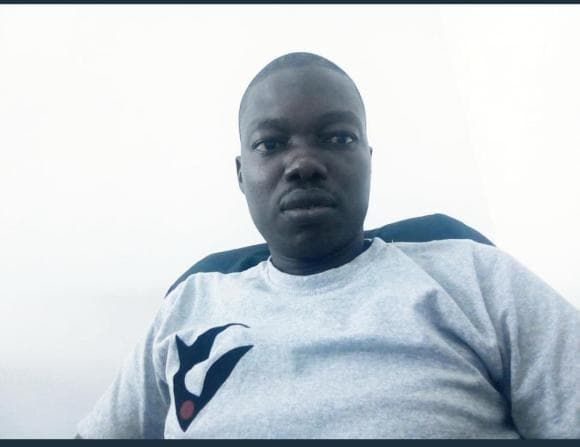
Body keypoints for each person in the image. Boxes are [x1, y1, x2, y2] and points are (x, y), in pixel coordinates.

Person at [76, 52, 579, 439]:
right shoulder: (191, 304)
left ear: (368, 160)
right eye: (271, 144)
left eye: (337, 138)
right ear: (241, 175)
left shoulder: (476, 277)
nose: (303, 164)